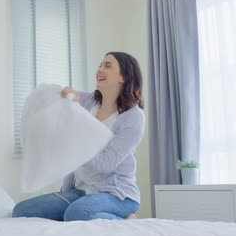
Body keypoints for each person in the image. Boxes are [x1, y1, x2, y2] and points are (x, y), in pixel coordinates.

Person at [12, 52, 144, 221]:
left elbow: (108, 163)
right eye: (100, 65)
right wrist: (64, 94)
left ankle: (127, 220)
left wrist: (73, 148)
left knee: (77, 213)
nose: (100, 70)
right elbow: (62, 98)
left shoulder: (133, 117)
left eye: (107, 66)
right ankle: (88, 212)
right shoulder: (89, 102)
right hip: (81, 191)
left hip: (116, 193)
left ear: (123, 77)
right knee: (21, 211)